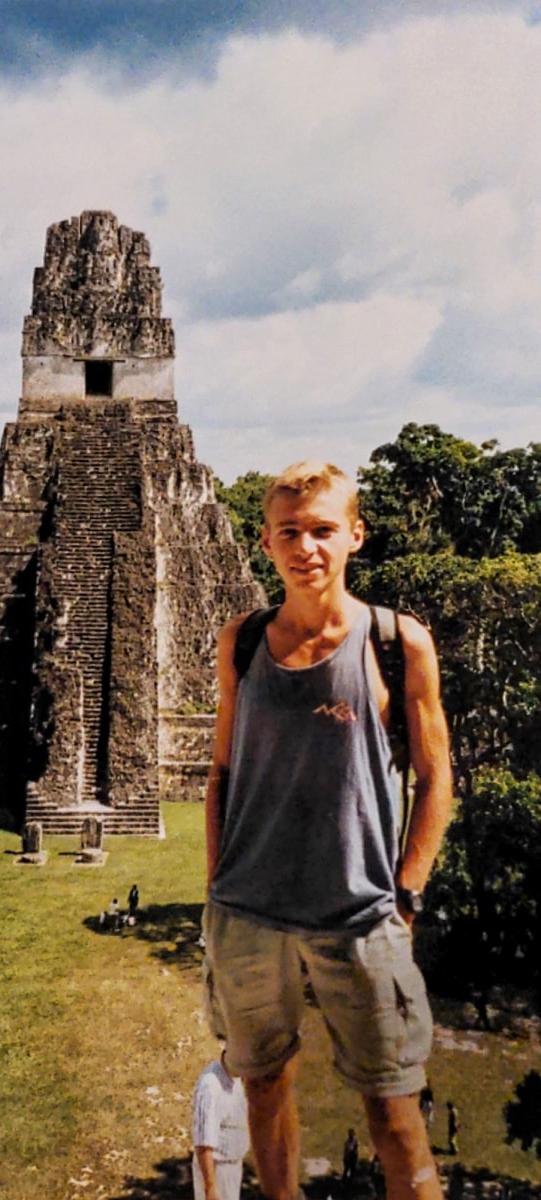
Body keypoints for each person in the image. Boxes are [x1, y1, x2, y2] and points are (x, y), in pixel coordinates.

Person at [203, 462, 454, 1200]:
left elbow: (436, 778)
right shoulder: (240, 640)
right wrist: (215, 885)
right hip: (247, 912)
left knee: (393, 1111)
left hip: (359, 912)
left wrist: (405, 893)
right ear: (264, 542)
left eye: (321, 530)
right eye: (289, 532)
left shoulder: (395, 641)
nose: (305, 547)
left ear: (354, 535)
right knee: (264, 1089)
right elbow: (219, 773)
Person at [192, 1051, 249, 1200]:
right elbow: (203, 1144)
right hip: (217, 1170)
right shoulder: (211, 1086)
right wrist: (210, 1188)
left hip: (233, 1167)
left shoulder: (236, 1077)